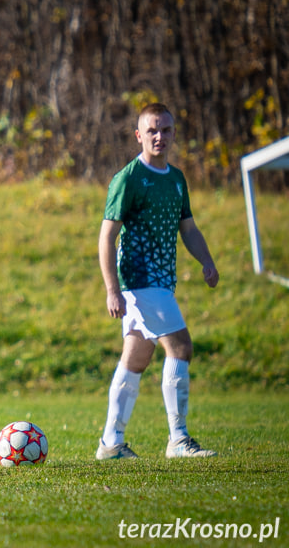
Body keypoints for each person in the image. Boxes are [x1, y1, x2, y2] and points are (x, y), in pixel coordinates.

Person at [96, 102, 219, 461]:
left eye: (165, 130)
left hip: (161, 284)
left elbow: (189, 229)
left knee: (135, 358)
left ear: (174, 134)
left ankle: (111, 443)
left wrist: (207, 261)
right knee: (181, 347)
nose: (159, 137)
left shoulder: (177, 179)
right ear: (139, 135)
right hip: (139, 281)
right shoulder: (129, 178)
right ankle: (178, 439)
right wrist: (112, 289)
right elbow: (106, 237)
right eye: (152, 130)